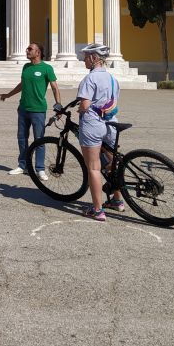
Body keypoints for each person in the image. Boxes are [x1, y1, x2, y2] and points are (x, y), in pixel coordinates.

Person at [0, 42, 61, 179]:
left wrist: (58, 104)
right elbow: (22, 84)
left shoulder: (47, 68)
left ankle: (40, 168)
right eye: (28, 49)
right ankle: (23, 166)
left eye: (30, 49)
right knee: (22, 138)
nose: (27, 51)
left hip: (38, 110)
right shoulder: (26, 67)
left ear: (37, 52)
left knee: (39, 140)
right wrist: (8, 95)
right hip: (23, 109)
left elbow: (55, 87)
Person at [76, 42, 123, 221]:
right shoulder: (112, 79)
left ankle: (97, 209)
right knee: (112, 164)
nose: (84, 60)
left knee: (94, 167)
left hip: (93, 124)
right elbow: (114, 102)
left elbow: (86, 104)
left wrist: (80, 110)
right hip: (111, 123)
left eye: (86, 57)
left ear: (94, 58)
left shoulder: (90, 79)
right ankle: (118, 201)